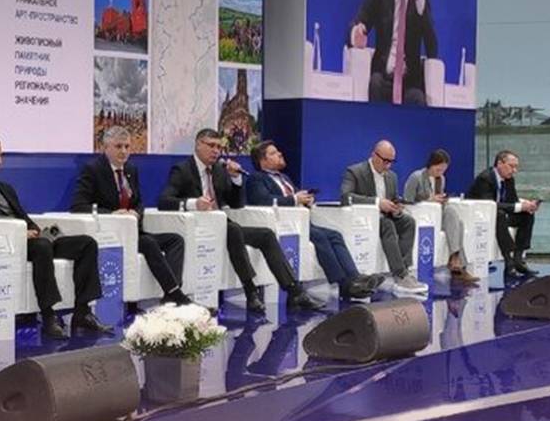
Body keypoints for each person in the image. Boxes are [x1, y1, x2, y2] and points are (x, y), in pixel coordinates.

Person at [0, 134, 112, 339]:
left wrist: (36, 229)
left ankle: (83, 312)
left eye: (0, 156)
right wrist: (20, 233)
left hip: (33, 241)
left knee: (86, 244)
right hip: (7, 246)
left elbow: (24, 217)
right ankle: (48, 316)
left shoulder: (6, 189)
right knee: (42, 246)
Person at [158, 129, 323, 312]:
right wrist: (194, 204)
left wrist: (236, 178)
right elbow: (164, 201)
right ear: (198, 145)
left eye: (219, 147)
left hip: (222, 225)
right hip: (198, 227)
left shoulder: (219, 170)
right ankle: (250, 291)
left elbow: (236, 204)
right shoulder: (182, 170)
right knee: (233, 229)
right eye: (211, 146)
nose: (216, 151)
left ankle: (294, 291)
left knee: (266, 235)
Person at [70, 126, 190, 305]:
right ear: (106, 148)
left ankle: (170, 293)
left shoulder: (131, 169)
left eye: (127, 146)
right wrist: (112, 214)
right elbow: (78, 206)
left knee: (176, 240)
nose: (124, 151)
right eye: (118, 146)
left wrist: (137, 213)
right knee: (148, 243)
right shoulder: (93, 170)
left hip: (133, 231)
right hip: (112, 234)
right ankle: (176, 294)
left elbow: (138, 203)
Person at [245, 139, 373, 300]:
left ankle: (355, 277)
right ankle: (344, 284)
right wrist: (294, 199)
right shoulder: (256, 179)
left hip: (301, 223)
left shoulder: (284, 178)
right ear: (262, 160)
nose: (280, 154)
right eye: (273, 153)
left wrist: (306, 200)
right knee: (319, 236)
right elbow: (262, 200)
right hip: (283, 225)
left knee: (335, 235)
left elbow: (296, 197)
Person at [338, 140, 430, 294]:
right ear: (374, 155)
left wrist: (396, 207)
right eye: (385, 161)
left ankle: (405, 269)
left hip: (387, 215)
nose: (388, 166)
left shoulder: (392, 176)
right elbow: (345, 196)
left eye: (391, 162)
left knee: (408, 222)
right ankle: (400, 275)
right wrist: (377, 203)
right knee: (387, 225)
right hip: (366, 219)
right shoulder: (355, 171)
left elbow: (393, 198)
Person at [404, 148, 478, 285]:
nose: (441, 173)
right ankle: (458, 263)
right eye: (438, 169)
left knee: (457, 220)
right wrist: (429, 199)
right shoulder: (416, 177)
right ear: (431, 164)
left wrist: (442, 199)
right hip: (422, 217)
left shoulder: (441, 179)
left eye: (443, 170)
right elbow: (407, 199)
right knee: (456, 221)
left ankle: (455, 259)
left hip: (437, 215)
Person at [467, 149, 539, 279]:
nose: (514, 170)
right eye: (511, 166)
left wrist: (527, 205)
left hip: (498, 214)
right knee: (499, 215)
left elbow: (512, 201)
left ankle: (518, 259)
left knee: (527, 215)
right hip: (480, 216)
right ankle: (508, 262)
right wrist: (519, 206)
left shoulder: (509, 179)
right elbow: (489, 205)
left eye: (516, 167)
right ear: (499, 163)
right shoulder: (485, 178)